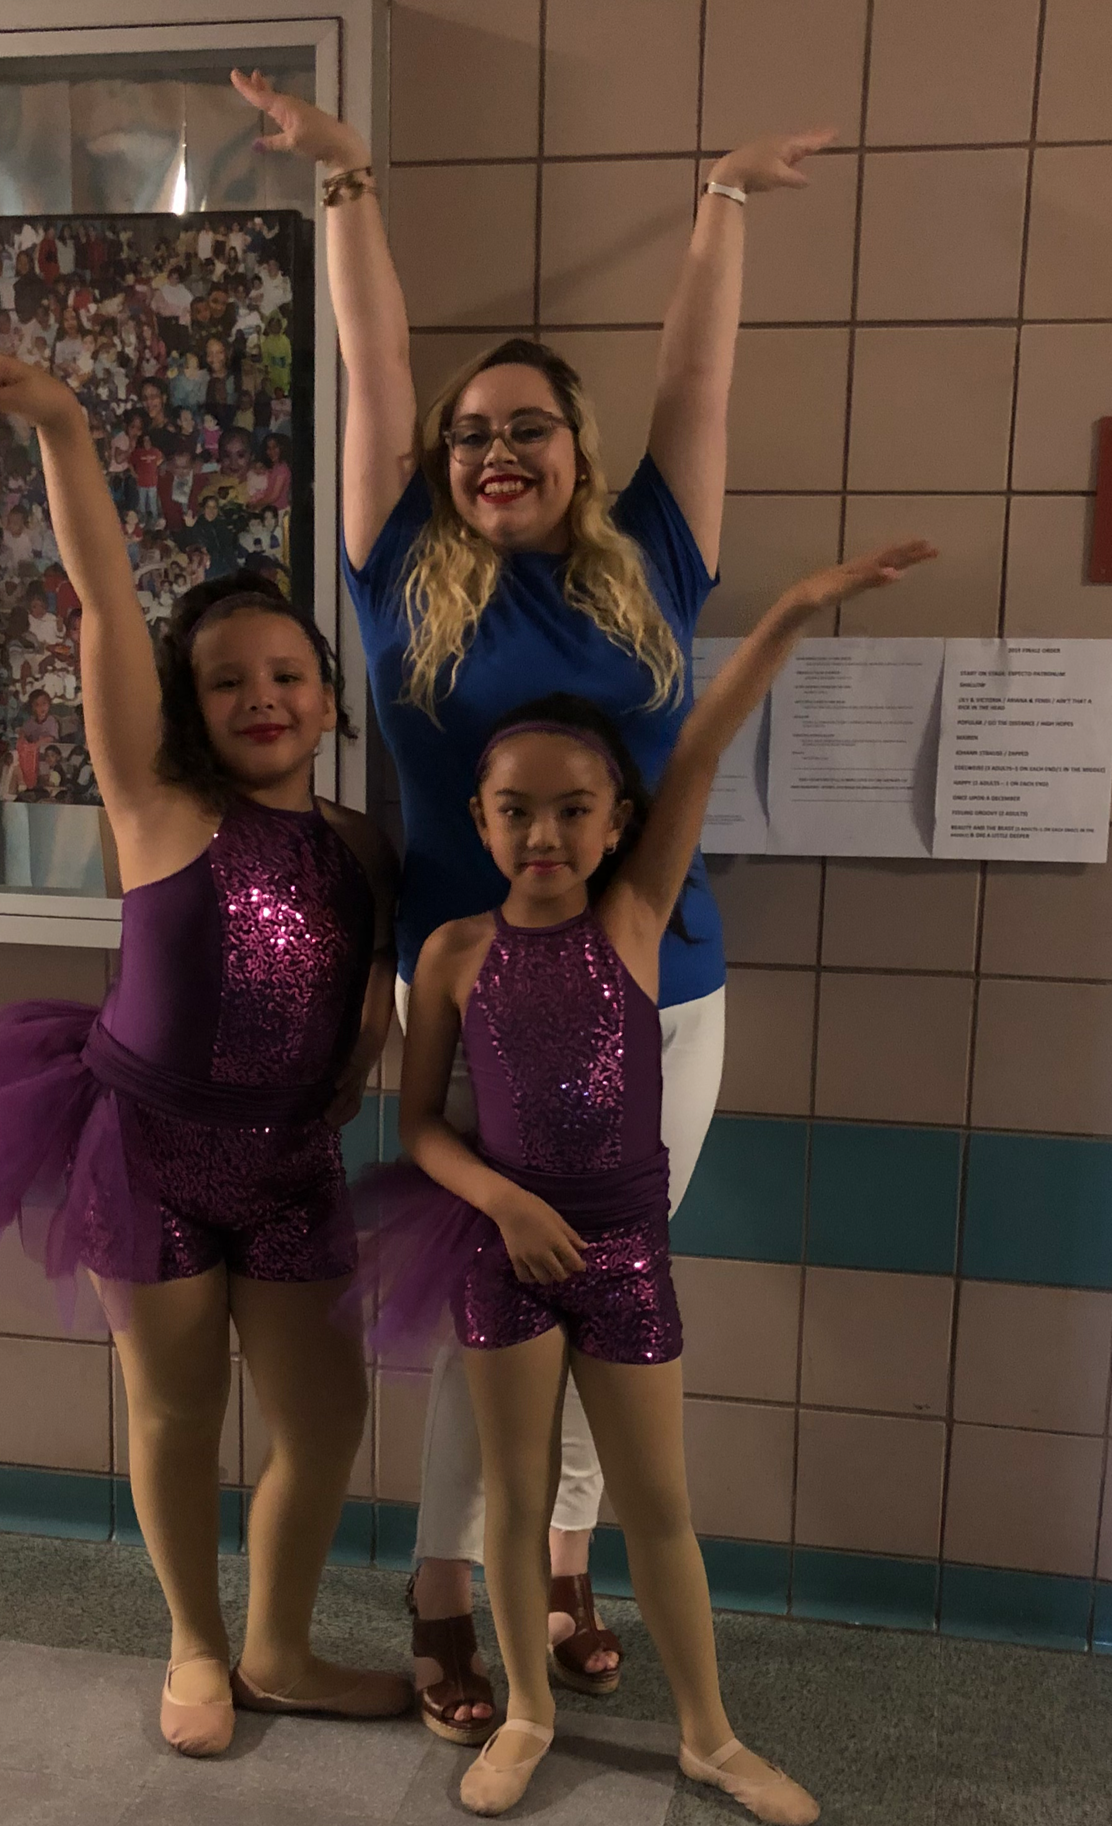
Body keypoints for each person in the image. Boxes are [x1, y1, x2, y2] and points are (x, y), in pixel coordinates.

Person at [231, 65, 835, 1739]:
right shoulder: (391, 565)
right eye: (472, 430)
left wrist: (717, 204)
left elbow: (696, 379)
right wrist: (347, 179)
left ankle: (560, 1562)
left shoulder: (654, 555)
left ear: (578, 451)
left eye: (530, 426)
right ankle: (441, 1580)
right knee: (489, 1278)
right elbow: (373, 358)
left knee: (611, 1270)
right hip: (461, 981)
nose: (495, 447)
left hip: (665, 988)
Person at [0, 355, 409, 1755]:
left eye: (288, 673)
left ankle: (281, 1643)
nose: (263, 696)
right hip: (151, 1147)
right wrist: (64, 427)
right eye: (228, 681)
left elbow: (362, 974)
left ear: (331, 700)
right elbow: (107, 600)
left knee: (327, 1409)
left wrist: (364, 1046)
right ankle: (196, 1643)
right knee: (176, 1408)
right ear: (188, 706)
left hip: (291, 1161)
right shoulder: (159, 806)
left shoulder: (359, 844)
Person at [379, 538, 936, 1816]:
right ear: (475, 818)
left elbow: (701, 742)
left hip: (625, 1251)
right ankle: (524, 1706)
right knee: (513, 1495)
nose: (543, 829)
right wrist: (504, 1202)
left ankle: (707, 1731)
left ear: (618, 820)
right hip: (507, 1248)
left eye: (575, 805)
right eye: (514, 806)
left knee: (658, 1505)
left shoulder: (632, 919)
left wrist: (794, 603)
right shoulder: (455, 953)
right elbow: (416, 1126)